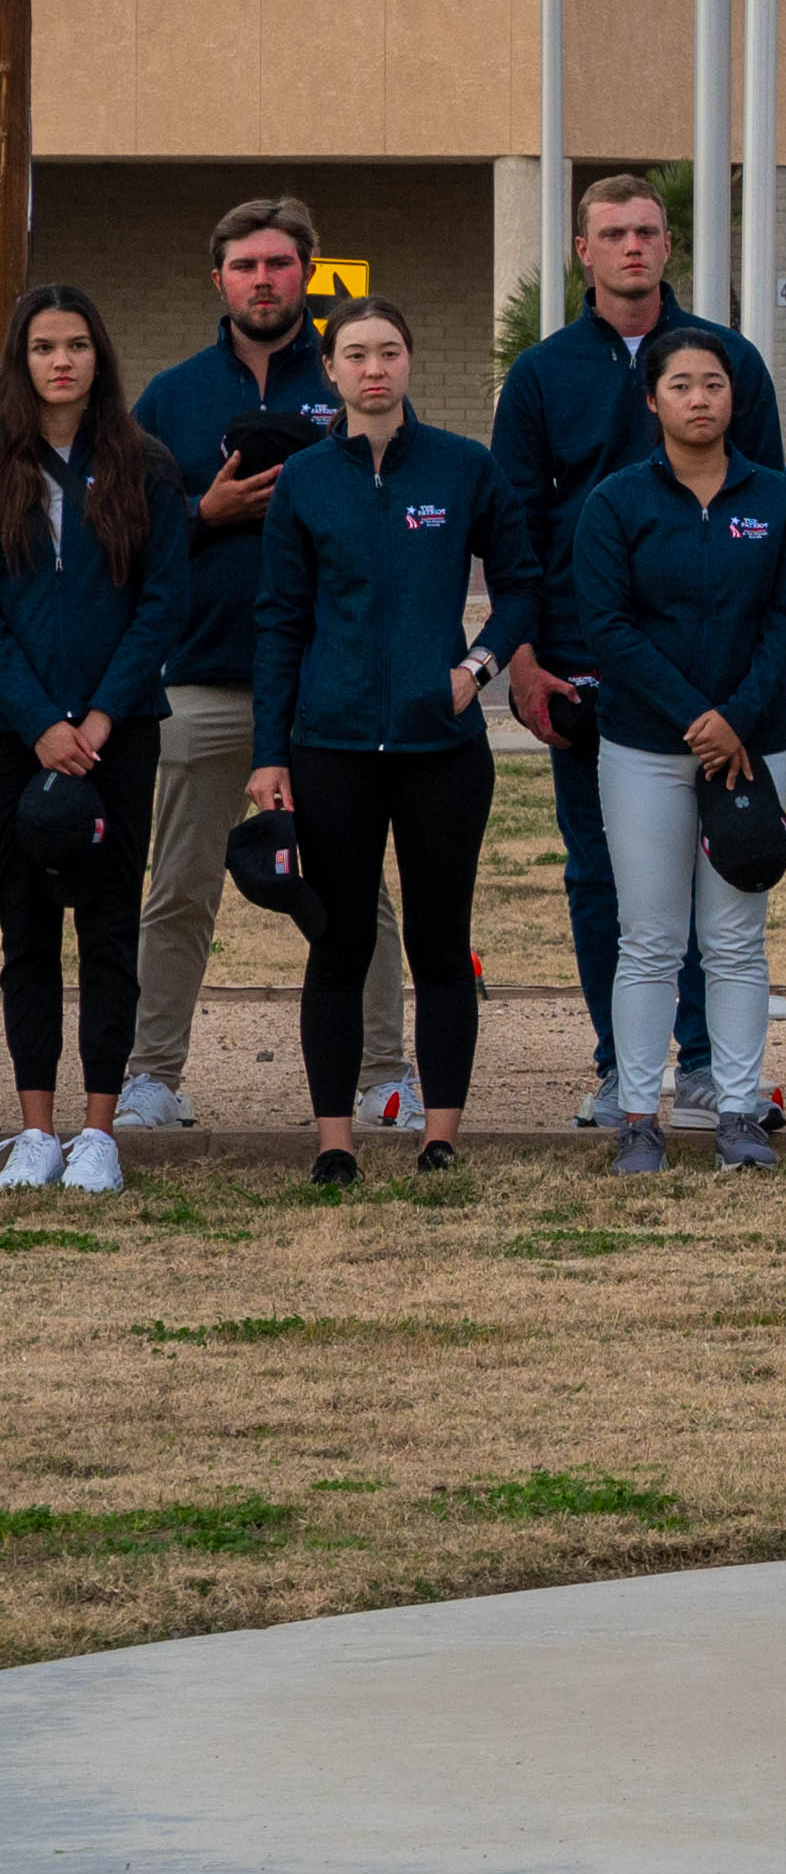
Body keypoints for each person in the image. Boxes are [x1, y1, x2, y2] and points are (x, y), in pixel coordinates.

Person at [489, 171, 783, 1134]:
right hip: (587, 660)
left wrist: (737, 697)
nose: (631, 247)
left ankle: (703, 1066)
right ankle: (623, 1067)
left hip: (722, 672)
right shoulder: (541, 376)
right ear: (582, 250)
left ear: (669, 246)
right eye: (612, 233)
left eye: (648, 232)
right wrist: (522, 655)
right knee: (603, 875)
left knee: (719, 873)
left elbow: (771, 514)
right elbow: (516, 527)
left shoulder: (728, 358)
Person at [125, 199, 402, 1132]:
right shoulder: (171, 395)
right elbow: (121, 537)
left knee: (357, 888)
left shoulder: (354, 378)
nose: (264, 280)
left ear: (308, 275)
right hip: (203, 678)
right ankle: (152, 1073)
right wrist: (207, 515)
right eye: (246, 265)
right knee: (178, 887)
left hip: (328, 686)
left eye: (281, 264)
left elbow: (402, 516)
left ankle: (382, 1075)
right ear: (220, 279)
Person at [245, 301, 496, 1189]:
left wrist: (480, 662)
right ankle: (334, 1142)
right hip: (332, 747)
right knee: (340, 942)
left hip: (443, 750)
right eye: (356, 354)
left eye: (389, 350)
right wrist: (268, 755)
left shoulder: (465, 468)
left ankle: (441, 1136)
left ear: (411, 361)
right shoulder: (307, 480)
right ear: (333, 371)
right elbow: (277, 623)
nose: (374, 368)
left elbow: (528, 585)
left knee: (439, 940)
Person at [561, 323, 786, 1176]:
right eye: (681, 385)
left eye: (713, 384)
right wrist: (693, 716)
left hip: (750, 748)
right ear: (653, 401)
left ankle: (739, 1112)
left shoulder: (777, 500)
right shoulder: (618, 503)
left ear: (733, 397)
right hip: (643, 748)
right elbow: (608, 625)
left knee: (738, 937)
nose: (699, 399)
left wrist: (736, 719)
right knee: (651, 938)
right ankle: (640, 1116)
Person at [1, 284, 177, 1192]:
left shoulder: (145, 464)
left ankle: (99, 1132)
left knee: (110, 929)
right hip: (14, 737)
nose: (60, 361)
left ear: (99, 357)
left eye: (75, 344)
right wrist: (38, 724)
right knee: (25, 933)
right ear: (21, 360)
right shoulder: (1, 463)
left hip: (121, 733)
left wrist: (102, 716)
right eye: (42, 346)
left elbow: (162, 603)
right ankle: (34, 1130)